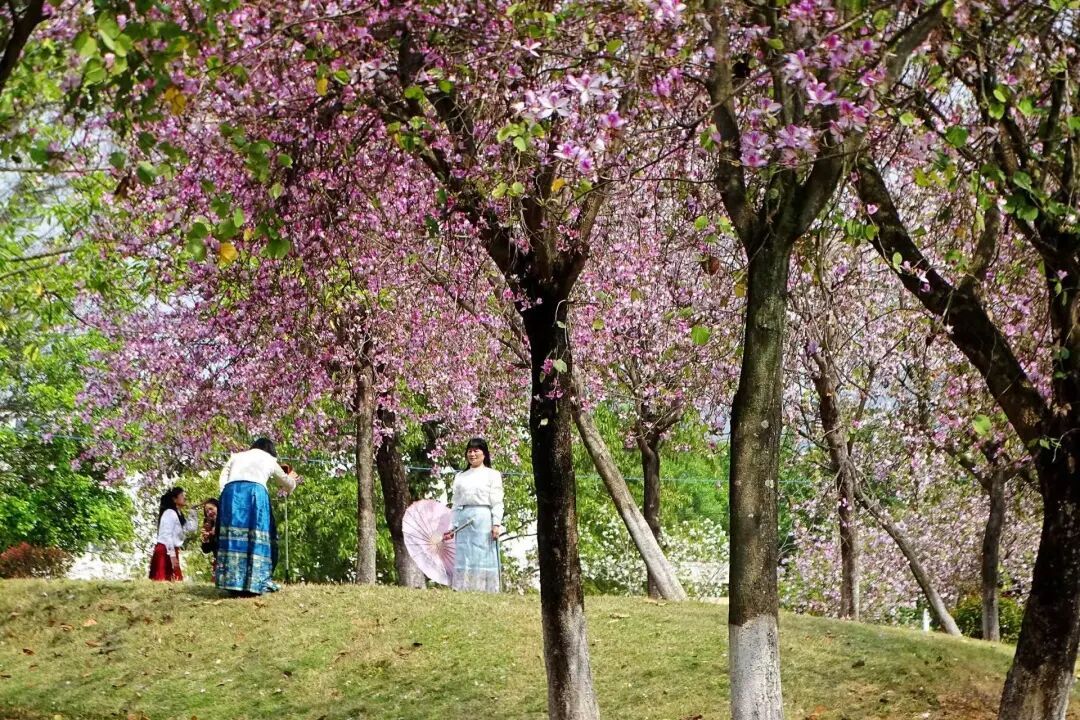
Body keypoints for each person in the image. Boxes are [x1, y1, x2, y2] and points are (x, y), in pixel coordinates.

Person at [215, 437, 297, 595]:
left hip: (231, 493)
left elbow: (223, 478)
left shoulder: (237, 456)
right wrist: (293, 480)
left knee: (234, 536)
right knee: (256, 535)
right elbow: (287, 483)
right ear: (271, 450)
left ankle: (231, 582)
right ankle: (255, 583)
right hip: (255, 493)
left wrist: (225, 494)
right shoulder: (269, 459)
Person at [444, 437, 504, 593]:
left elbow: (497, 501)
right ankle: (462, 588)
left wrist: (496, 523)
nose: (472, 454)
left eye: (476, 451)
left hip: (483, 518)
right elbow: (456, 503)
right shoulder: (460, 476)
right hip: (464, 518)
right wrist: (452, 526)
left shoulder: (492, 474)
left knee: (482, 553)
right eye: (469, 451)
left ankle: (485, 589)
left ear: (484, 454)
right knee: (464, 554)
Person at [148, 487, 197, 582]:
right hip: (165, 550)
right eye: (182, 495)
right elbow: (167, 535)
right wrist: (172, 556)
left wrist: (193, 512)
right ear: (175, 499)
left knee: (175, 581)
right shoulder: (169, 513)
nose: (185, 498)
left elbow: (191, 528)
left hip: (171, 550)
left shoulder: (179, 514)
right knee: (163, 581)